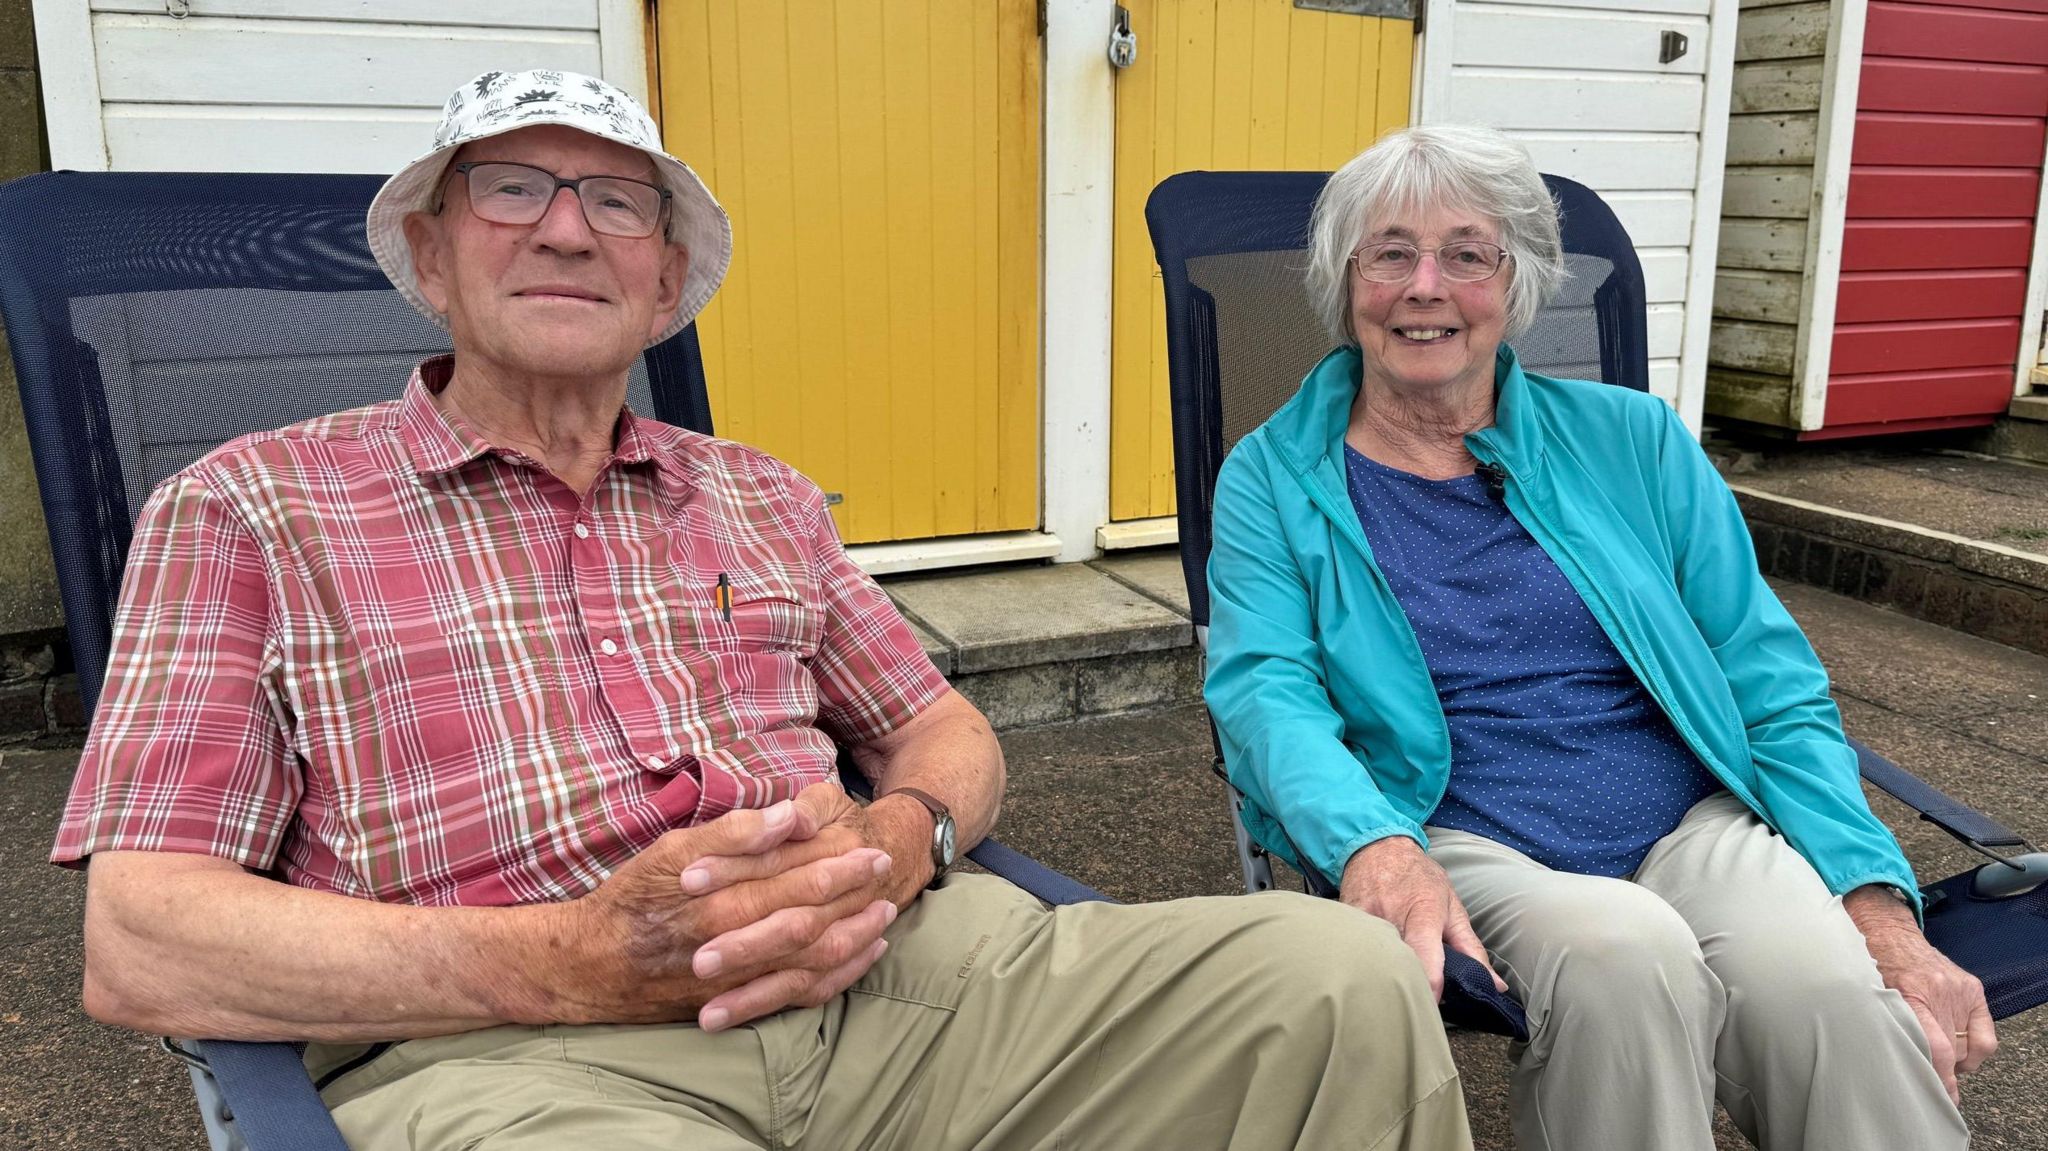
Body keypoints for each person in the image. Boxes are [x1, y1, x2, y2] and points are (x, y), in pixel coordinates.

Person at [50, 70, 1474, 1151]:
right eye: (510, 188)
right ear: (429, 254)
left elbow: (943, 724)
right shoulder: (249, 509)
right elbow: (146, 934)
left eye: (617, 203)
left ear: (666, 281)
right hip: (523, 1053)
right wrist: (570, 962)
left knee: (1338, 973)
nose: (566, 228)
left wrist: (899, 839)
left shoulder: (761, 497)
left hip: (915, 983)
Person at [1202, 124, 1993, 1151]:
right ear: (1344, 283)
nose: (1423, 285)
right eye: (1388, 252)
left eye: (1466, 254)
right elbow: (1266, 688)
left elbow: (1766, 678)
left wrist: (1878, 905)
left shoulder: (1636, 439)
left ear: (1516, 280)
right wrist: (1372, 842)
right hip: (1454, 830)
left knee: (1828, 988)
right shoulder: (1273, 476)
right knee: (1626, 957)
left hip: (1691, 821)